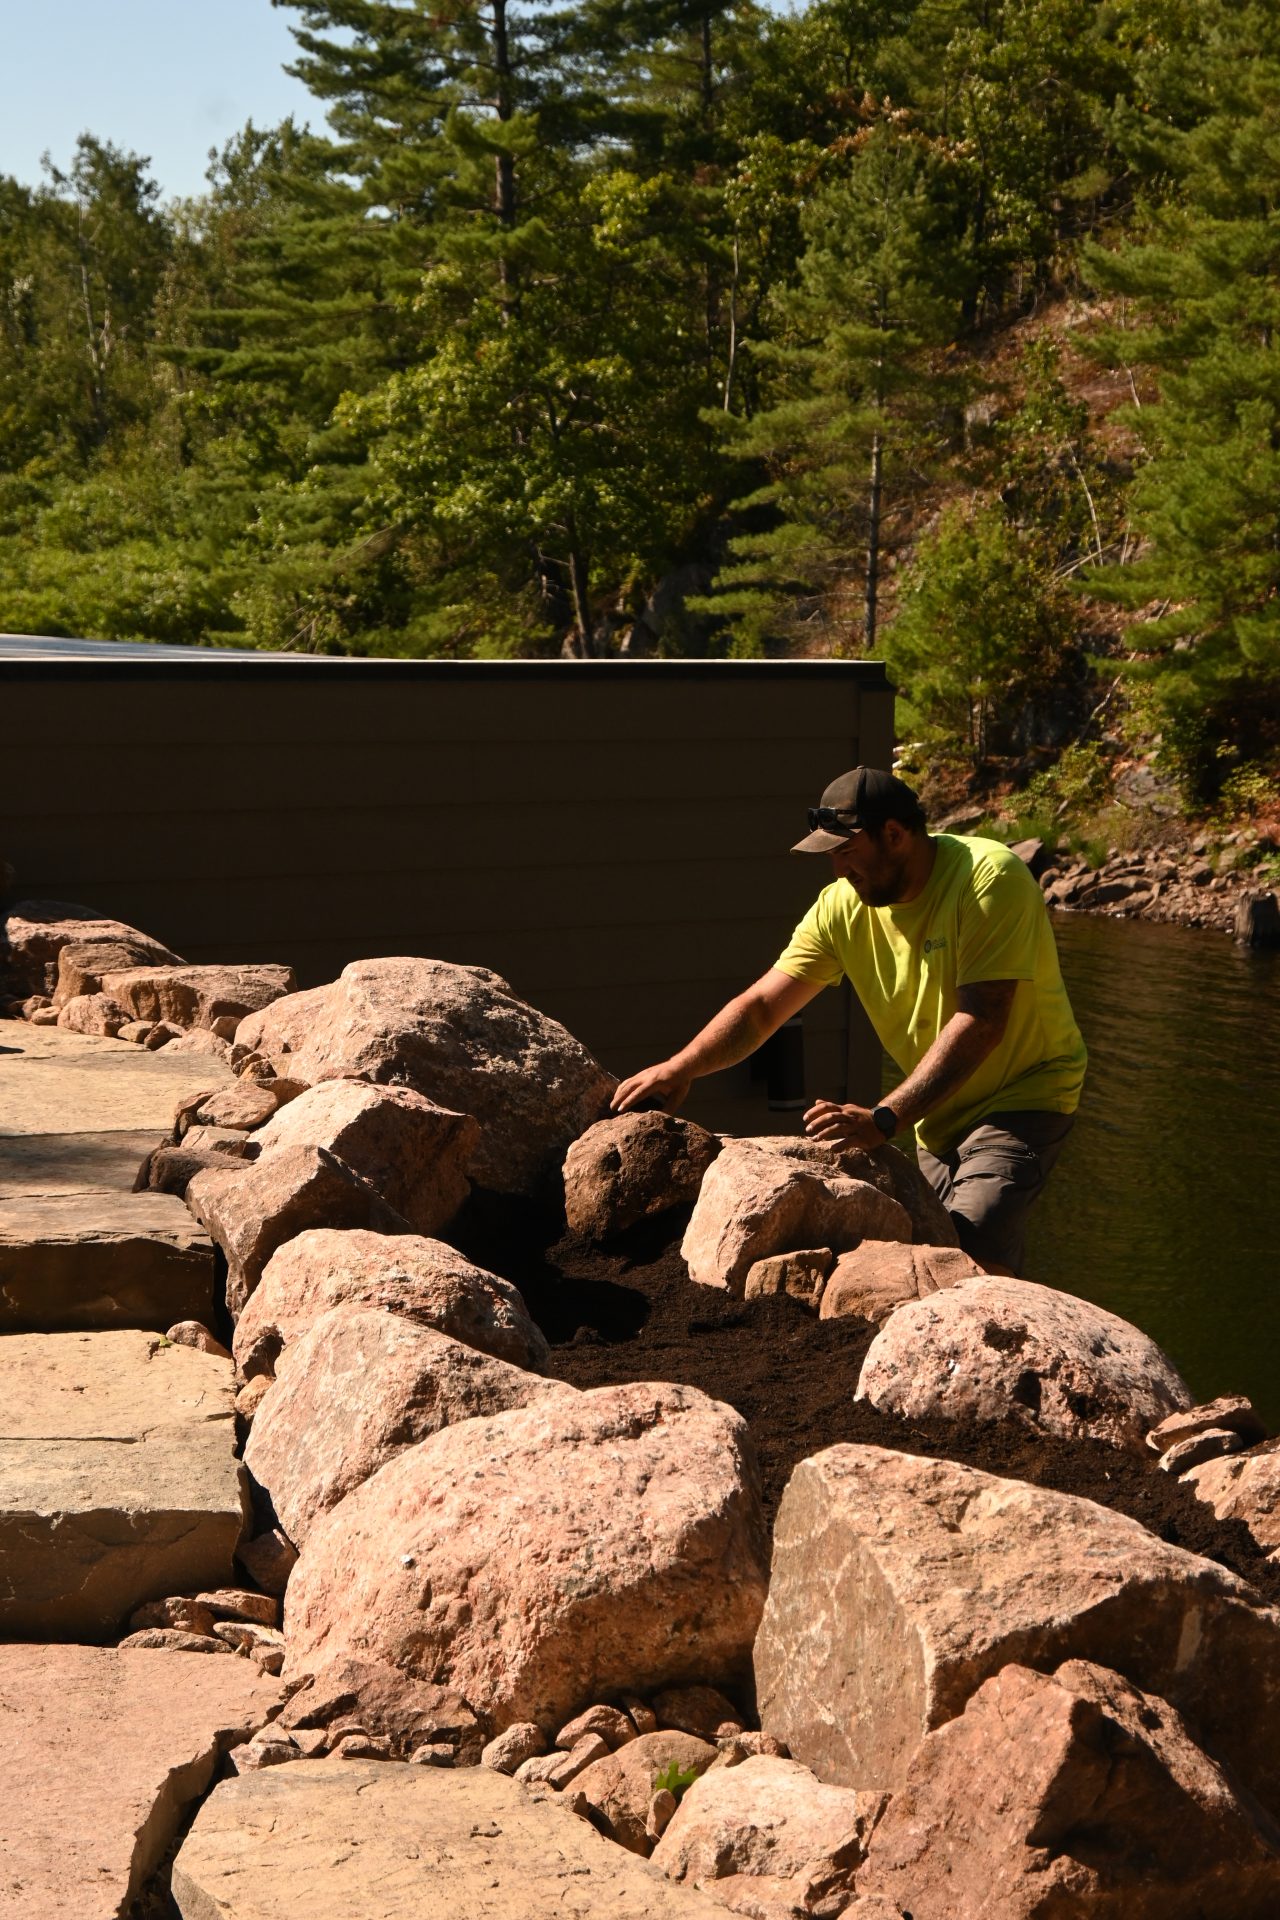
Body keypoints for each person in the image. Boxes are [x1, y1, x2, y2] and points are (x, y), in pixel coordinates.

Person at [612, 765, 1087, 1274]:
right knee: (943, 1246)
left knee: (970, 1251)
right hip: (939, 1115)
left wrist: (885, 1117)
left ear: (894, 835)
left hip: (1023, 1095)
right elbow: (762, 1008)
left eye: (846, 851)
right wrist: (681, 1067)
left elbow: (982, 1020)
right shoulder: (841, 906)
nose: (839, 869)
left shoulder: (988, 879)